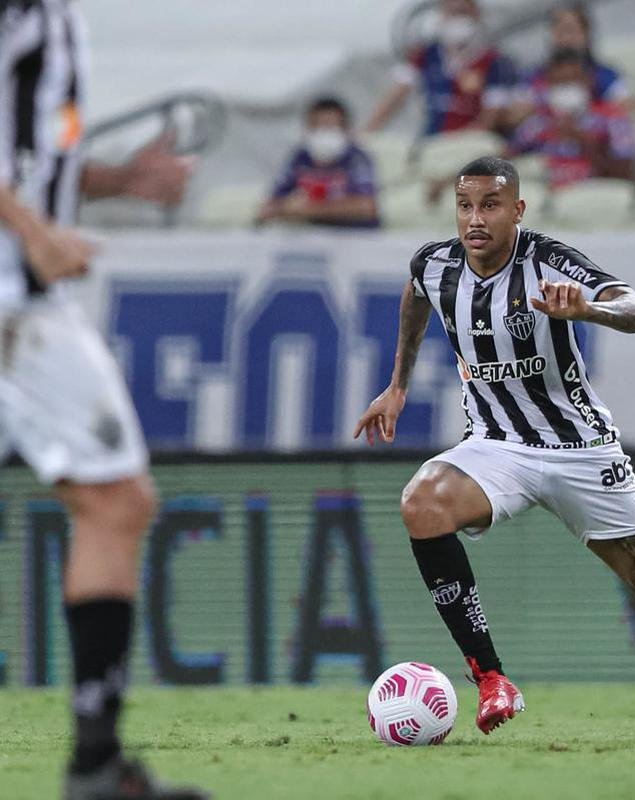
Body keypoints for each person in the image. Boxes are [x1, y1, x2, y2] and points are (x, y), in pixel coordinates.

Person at [353, 156, 635, 743]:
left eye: (490, 205)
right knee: (422, 502)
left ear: (517, 210)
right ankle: (491, 678)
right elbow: (416, 298)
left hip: (580, 448)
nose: (475, 219)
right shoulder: (434, 263)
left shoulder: (549, 261)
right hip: (497, 444)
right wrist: (398, 385)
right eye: (465, 206)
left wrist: (588, 309)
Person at [0, 1, 205, 798]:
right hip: (13, 295)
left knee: (110, 500)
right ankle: (94, 768)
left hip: (23, 290)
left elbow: (27, 153)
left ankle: (95, 763)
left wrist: (120, 180)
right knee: (114, 500)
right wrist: (32, 232)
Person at [364, 0, 513, 135]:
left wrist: (463, 141)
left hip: (470, 141)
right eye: (451, 12)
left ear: (477, 15)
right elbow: (395, 97)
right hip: (432, 139)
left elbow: (490, 117)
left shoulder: (494, 61)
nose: (457, 20)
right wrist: (367, 131)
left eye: (462, 13)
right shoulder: (425, 55)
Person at [508, 48, 635, 189]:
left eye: (573, 81)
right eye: (560, 83)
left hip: (594, 196)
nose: (567, 89)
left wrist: (580, 139)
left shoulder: (613, 120)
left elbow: (625, 174)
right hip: (552, 198)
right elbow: (506, 158)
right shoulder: (538, 123)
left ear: (588, 81)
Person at [257, 97, 380, 229]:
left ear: (345, 129)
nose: (323, 132)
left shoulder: (356, 158)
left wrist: (309, 209)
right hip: (309, 236)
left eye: (330, 126)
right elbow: (269, 206)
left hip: (353, 237)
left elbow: (367, 207)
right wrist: (285, 207)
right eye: (318, 126)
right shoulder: (300, 157)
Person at [509, 2, 633, 125]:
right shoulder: (533, 76)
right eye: (562, 31)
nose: (567, 38)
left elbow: (627, 106)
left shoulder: (606, 75)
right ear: (552, 35)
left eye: (573, 31)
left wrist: (590, 110)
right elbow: (515, 114)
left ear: (586, 35)